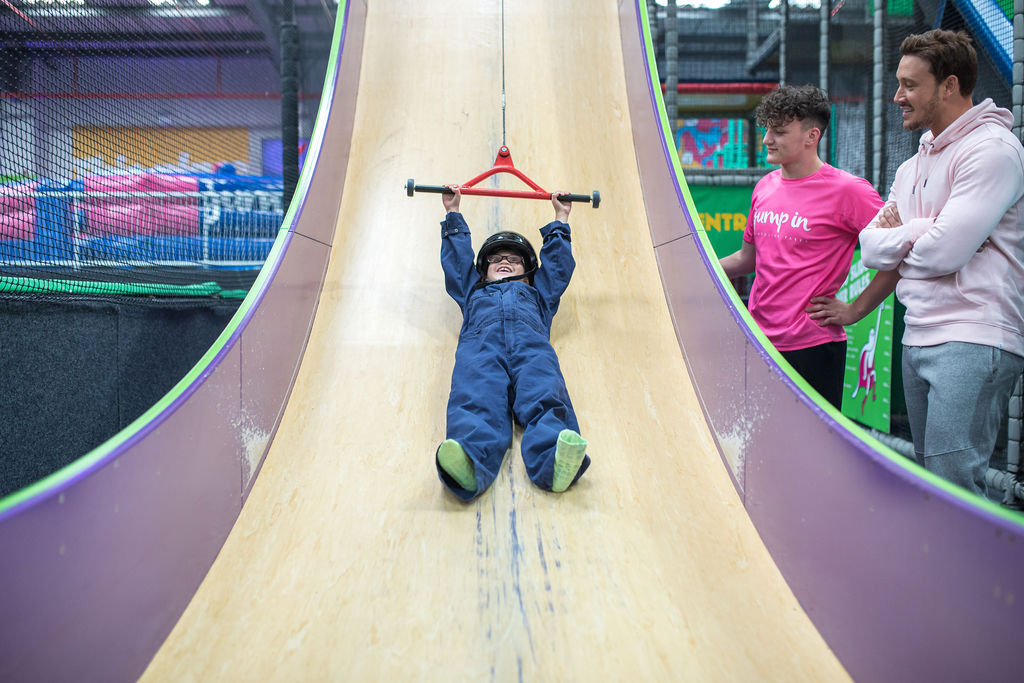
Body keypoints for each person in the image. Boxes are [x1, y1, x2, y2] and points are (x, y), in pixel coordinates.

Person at [851, 29, 1024, 496]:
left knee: (954, 487)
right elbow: (870, 248)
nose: (897, 96)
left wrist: (904, 234)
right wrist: (925, 229)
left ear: (949, 86)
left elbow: (945, 253)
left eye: (910, 85)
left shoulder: (993, 151)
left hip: (974, 335)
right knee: (934, 486)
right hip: (919, 334)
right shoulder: (912, 165)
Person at [719, 84, 888, 408]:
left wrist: (855, 310)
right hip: (759, 342)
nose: (767, 140)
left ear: (812, 136)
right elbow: (747, 258)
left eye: (779, 132)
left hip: (813, 348)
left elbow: (898, 255)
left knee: (809, 442)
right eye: (767, 130)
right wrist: (694, 268)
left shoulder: (850, 191)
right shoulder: (764, 186)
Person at [434, 187, 590, 501]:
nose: (505, 261)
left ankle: (555, 458)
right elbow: (457, 263)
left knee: (545, 393)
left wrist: (561, 218)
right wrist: (453, 213)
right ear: (482, 273)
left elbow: (557, 268)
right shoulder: (472, 291)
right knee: (476, 397)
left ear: (530, 274)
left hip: (531, 350)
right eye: (496, 259)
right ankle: (469, 459)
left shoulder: (539, 295)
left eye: (515, 260)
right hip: (481, 350)